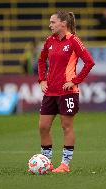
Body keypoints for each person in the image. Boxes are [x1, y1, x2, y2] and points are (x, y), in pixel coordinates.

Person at [37, 11, 95, 173]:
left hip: (68, 92)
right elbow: (41, 61)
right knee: (43, 127)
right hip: (50, 92)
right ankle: (46, 162)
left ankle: (65, 165)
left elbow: (89, 62)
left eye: (53, 22)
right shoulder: (49, 41)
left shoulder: (74, 41)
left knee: (66, 126)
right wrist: (42, 80)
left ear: (63, 23)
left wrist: (75, 81)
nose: (50, 25)